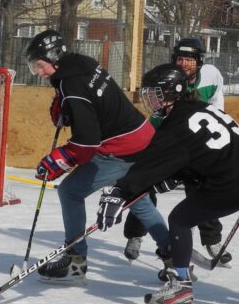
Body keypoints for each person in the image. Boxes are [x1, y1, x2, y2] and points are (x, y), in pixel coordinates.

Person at [98, 64, 239, 304]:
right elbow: (199, 151)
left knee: (179, 220)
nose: (149, 99)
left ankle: (180, 288)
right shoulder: (202, 108)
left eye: (155, 94)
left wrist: (120, 191)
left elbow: (151, 163)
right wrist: (177, 174)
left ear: (173, 93)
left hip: (235, 182)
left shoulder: (176, 125)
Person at [25, 29, 170, 284]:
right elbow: (94, 106)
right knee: (138, 200)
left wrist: (58, 160)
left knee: (69, 191)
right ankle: (176, 260)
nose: (38, 72)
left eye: (40, 65)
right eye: (34, 66)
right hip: (143, 137)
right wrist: (68, 110)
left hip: (121, 147)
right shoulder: (82, 63)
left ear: (55, 58)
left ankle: (75, 262)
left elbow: (86, 144)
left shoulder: (71, 85)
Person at [123, 37, 233, 266]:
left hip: (194, 139)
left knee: (202, 185)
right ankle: (136, 233)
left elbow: (217, 109)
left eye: (190, 59)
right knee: (144, 179)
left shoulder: (212, 75)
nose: (184, 63)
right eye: (181, 58)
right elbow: (157, 111)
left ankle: (212, 239)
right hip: (166, 134)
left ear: (200, 61)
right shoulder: (168, 76)